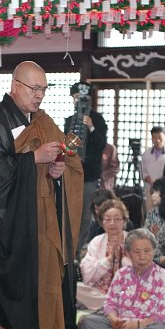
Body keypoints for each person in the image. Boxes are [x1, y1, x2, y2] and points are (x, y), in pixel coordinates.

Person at [0, 61, 83, 329]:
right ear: (15, 86)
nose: (39, 96)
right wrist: (32, 160)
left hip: (41, 219)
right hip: (8, 224)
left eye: (43, 89)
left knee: (47, 282)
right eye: (33, 88)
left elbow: (59, 165)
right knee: (13, 288)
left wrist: (55, 173)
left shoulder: (44, 121)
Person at [80, 228, 165, 329]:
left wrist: (138, 325)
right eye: (137, 252)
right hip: (121, 326)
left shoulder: (163, 276)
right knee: (87, 321)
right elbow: (110, 303)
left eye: (147, 251)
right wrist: (115, 321)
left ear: (154, 251)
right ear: (128, 254)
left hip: (147, 327)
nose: (142, 256)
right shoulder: (122, 274)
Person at [64, 81, 107, 255]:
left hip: (89, 176)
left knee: (84, 215)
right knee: (68, 212)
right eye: (76, 98)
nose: (79, 102)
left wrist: (91, 127)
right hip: (71, 174)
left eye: (83, 98)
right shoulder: (69, 120)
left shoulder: (98, 119)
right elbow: (66, 146)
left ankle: (76, 250)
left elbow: (101, 145)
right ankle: (66, 247)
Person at [79, 199, 131, 307]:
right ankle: (111, 304)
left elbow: (142, 272)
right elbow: (86, 273)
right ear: (102, 222)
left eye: (117, 219)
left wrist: (122, 258)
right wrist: (108, 260)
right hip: (100, 294)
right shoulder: (96, 242)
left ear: (124, 221)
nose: (112, 223)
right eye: (107, 219)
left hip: (128, 292)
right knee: (77, 289)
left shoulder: (134, 240)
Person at [141, 126, 165, 212]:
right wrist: (152, 182)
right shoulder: (146, 153)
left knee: (164, 212)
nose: (157, 140)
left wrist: (160, 184)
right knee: (150, 212)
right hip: (150, 189)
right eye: (155, 138)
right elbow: (143, 171)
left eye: (160, 137)